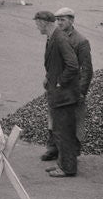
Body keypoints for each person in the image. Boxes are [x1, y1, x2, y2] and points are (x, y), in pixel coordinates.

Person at [32, 10, 80, 177]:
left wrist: (60, 81)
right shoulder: (53, 37)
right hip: (59, 94)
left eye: (37, 23)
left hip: (63, 96)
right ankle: (62, 163)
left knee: (64, 132)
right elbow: (56, 63)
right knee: (60, 131)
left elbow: (73, 65)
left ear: (44, 23)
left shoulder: (59, 39)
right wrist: (49, 77)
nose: (36, 27)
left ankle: (68, 168)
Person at [52, 7, 93, 153]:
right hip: (58, 87)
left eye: (62, 20)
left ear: (71, 20)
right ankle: (54, 150)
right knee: (55, 119)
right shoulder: (55, 36)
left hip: (72, 89)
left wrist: (81, 92)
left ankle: (71, 155)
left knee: (73, 122)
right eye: (57, 20)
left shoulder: (81, 41)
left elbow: (87, 69)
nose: (59, 23)